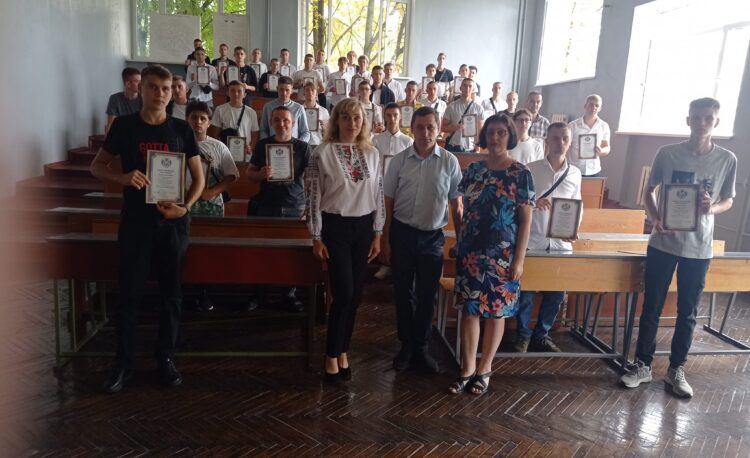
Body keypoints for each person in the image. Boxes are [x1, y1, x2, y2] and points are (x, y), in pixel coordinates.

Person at [89, 64, 205, 394]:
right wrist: (123, 177)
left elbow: (198, 179)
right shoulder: (125, 126)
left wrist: (185, 207)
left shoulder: (181, 129)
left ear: (173, 93)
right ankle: (123, 362)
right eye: (153, 87)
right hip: (136, 223)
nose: (160, 94)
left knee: (171, 295)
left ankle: (165, 358)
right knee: (129, 294)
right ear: (141, 90)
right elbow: (97, 166)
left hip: (173, 224)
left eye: (166, 89)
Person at [620, 97, 736, 398]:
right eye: (696, 117)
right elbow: (649, 191)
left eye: (708, 118)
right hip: (663, 242)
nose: (701, 123)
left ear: (716, 122)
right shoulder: (667, 153)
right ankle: (642, 365)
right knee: (652, 307)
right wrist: (655, 218)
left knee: (688, 312)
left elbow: (728, 200)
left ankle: (676, 369)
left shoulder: (727, 159)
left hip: (699, 247)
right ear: (688, 120)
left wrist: (712, 208)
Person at [449, 113, 534, 395]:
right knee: (470, 310)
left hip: (503, 255)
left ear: (510, 136)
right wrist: (460, 239)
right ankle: (467, 368)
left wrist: (519, 259)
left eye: (501, 132)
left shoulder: (520, 173)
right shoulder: (474, 169)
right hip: (471, 252)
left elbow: (526, 220)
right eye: (491, 132)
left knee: (496, 312)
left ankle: (484, 369)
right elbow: (462, 207)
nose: (495, 137)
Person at [305, 98, 385, 382]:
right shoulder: (321, 153)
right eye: (346, 117)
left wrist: (378, 232)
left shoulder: (372, 153)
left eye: (357, 118)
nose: (352, 123)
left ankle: (343, 351)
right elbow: (312, 196)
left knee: (357, 295)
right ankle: (330, 353)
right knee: (344, 293)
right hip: (335, 228)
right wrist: (316, 235)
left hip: (363, 228)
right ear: (336, 120)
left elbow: (378, 193)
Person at [383, 106, 462, 373]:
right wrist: (385, 239)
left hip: (432, 238)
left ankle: (422, 347)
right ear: (412, 129)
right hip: (402, 233)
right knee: (403, 293)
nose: (425, 133)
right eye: (420, 127)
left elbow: (457, 205)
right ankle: (406, 345)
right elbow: (388, 202)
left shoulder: (449, 161)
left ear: (438, 129)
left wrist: (460, 239)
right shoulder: (399, 161)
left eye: (430, 127)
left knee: (427, 295)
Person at [514, 122, 582, 353]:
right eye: (555, 138)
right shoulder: (530, 169)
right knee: (526, 292)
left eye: (564, 138)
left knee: (556, 293)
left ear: (570, 142)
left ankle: (541, 334)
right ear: (547, 141)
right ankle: (523, 335)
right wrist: (534, 203)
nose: (559, 143)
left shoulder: (575, 173)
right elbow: (519, 202)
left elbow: (577, 204)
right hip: (533, 239)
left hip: (561, 243)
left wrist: (574, 228)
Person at [248, 105, 312, 312]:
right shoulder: (262, 145)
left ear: (293, 123)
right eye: (277, 120)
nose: (281, 124)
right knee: (263, 252)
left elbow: (311, 179)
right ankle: (260, 294)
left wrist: (310, 206)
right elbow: (250, 173)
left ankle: (289, 295)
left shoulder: (303, 147)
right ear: (271, 122)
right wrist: (260, 174)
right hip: (268, 205)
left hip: (295, 206)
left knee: (291, 255)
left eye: (286, 120)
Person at [372, 103, 414, 280]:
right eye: (388, 115)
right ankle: (384, 262)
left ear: (400, 117)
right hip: (380, 188)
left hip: (401, 189)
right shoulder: (376, 140)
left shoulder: (408, 141)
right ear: (384, 117)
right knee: (382, 223)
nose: (392, 119)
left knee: (398, 225)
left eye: (395, 115)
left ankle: (397, 263)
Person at [209, 81, 260, 157]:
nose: (236, 94)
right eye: (232, 91)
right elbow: (215, 135)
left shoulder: (251, 112)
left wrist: (250, 148)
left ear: (244, 95)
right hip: (225, 153)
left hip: (245, 153)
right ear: (228, 93)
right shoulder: (220, 109)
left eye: (239, 91)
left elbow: (255, 135)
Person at [567, 94, 611, 177]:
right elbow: (566, 146)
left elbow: (607, 147)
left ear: (600, 108)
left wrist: (601, 151)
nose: (594, 107)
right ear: (585, 106)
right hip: (575, 169)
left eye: (597, 105)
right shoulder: (572, 125)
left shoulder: (604, 126)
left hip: (594, 169)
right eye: (591, 104)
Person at [259, 76, 310, 142]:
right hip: (272, 145)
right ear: (277, 89)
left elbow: (305, 132)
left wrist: (298, 145)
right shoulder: (268, 107)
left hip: (293, 145)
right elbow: (263, 130)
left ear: (291, 90)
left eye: (287, 90)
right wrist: (267, 144)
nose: (284, 93)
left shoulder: (299, 108)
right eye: (281, 89)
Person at [442, 78, 484, 153]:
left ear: (473, 89)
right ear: (460, 88)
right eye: (465, 86)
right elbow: (443, 127)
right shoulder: (451, 106)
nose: (467, 88)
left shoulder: (479, 108)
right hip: (453, 147)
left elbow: (480, 131)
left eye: (470, 86)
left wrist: (478, 148)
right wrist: (453, 127)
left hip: (470, 148)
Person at [106, 67, 142, 133]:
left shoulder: (144, 99)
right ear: (128, 84)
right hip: (121, 134)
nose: (141, 84)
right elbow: (110, 124)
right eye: (137, 81)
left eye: (141, 81)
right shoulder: (115, 99)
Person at [302, 82, 330, 147]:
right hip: (303, 144)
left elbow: (329, 133)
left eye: (312, 90)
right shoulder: (299, 110)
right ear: (304, 94)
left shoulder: (324, 111)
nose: (310, 92)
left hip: (318, 143)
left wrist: (324, 127)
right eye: (307, 90)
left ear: (316, 94)